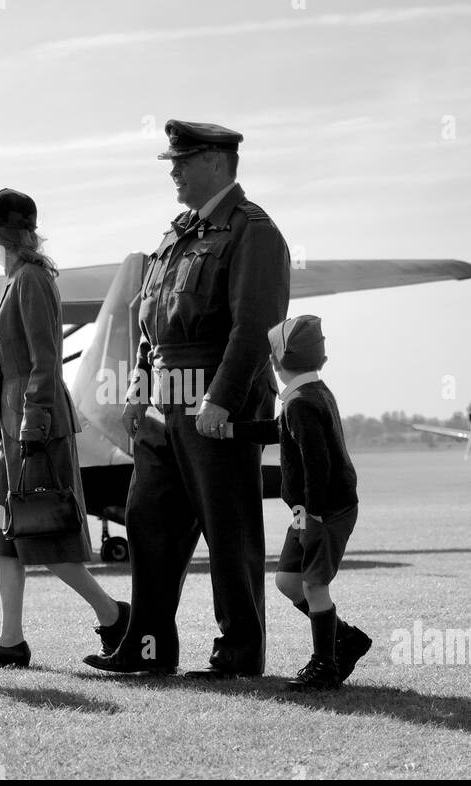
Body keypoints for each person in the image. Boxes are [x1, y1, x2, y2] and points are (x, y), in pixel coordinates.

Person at [85, 120, 291, 679]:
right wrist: (136, 387)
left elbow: (255, 327)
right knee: (147, 522)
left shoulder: (254, 232)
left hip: (219, 409)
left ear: (217, 163)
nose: (172, 170)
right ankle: (147, 649)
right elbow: (150, 323)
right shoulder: (177, 234)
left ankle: (239, 655)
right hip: (165, 409)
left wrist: (222, 401)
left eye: (183, 159)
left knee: (229, 533)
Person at [0, 188, 129, 668]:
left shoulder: (31, 279)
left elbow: (44, 360)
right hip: (12, 425)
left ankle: (114, 615)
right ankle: (10, 641)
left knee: (46, 532)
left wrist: (32, 425)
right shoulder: (18, 279)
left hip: (33, 424)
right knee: (5, 537)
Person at [226, 315, 373, 690]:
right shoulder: (310, 393)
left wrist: (312, 516)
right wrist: (232, 431)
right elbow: (280, 432)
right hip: (311, 509)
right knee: (288, 581)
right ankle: (345, 638)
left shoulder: (301, 403)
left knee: (313, 585)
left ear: (275, 362)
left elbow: (316, 462)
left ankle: (324, 667)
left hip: (324, 510)